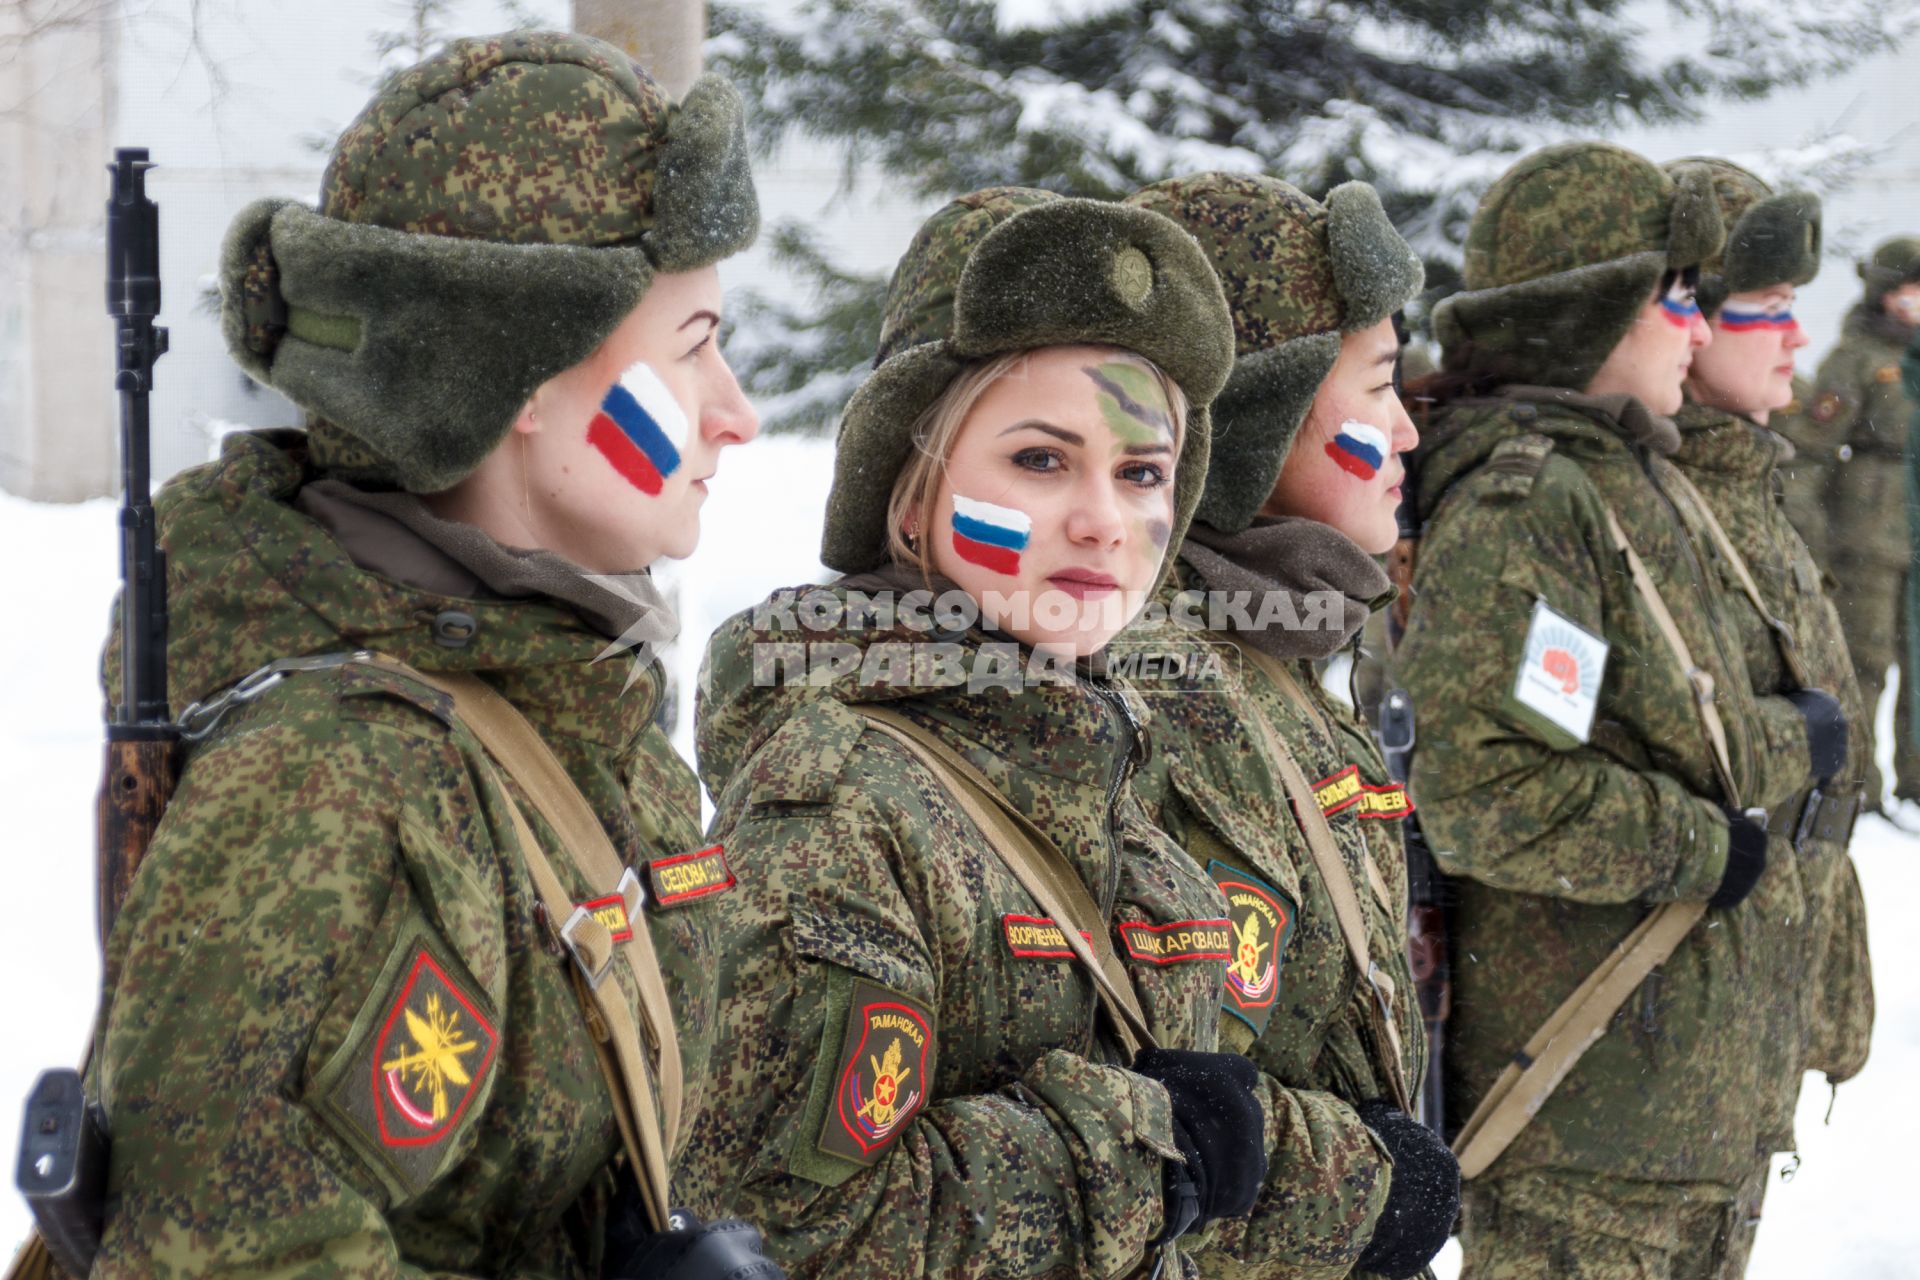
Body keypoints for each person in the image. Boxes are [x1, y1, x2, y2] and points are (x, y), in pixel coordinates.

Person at [90, 32, 771, 1277]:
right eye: (691, 347)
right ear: (515, 377)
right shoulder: (340, 790)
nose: (738, 410)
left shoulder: (559, 692)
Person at [679, 187, 1275, 1278]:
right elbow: (790, 1231)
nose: (1104, 516)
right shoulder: (844, 799)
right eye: (1041, 460)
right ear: (911, 497)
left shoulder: (1097, 756)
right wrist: (1156, 1153)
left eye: (1142, 472)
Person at [1391, 141, 1848, 1278]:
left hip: (1669, 1111)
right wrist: (1712, 848)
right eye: (1676, 297)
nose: (1697, 332)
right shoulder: (1532, 500)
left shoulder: (1622, 481)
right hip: (1587, 1129)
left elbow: (1668, 727)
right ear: (1591, 311)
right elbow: (1486, 788)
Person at [1123, 172, 1459, 1280]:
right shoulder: (1159, 690)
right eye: (1376, 385)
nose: (1407, 426)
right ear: (1260, 416)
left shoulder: (1281, 650)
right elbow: (1167, 1108)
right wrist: (1366, 1185)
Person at [1664, 156, 1874, 1104]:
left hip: (1753, 990)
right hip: (1674, 1018)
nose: (1794, 335)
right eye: (1768, 305)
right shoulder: (1640, 503)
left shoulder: (1748, 480)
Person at [1775, 235, 1920, 821]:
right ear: (1885, 295)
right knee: (1864, 661)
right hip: (1868, 531)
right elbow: (1811, 448)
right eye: (1910, 291)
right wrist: (1810, 530)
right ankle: (1858, 786)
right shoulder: (1855, 358)